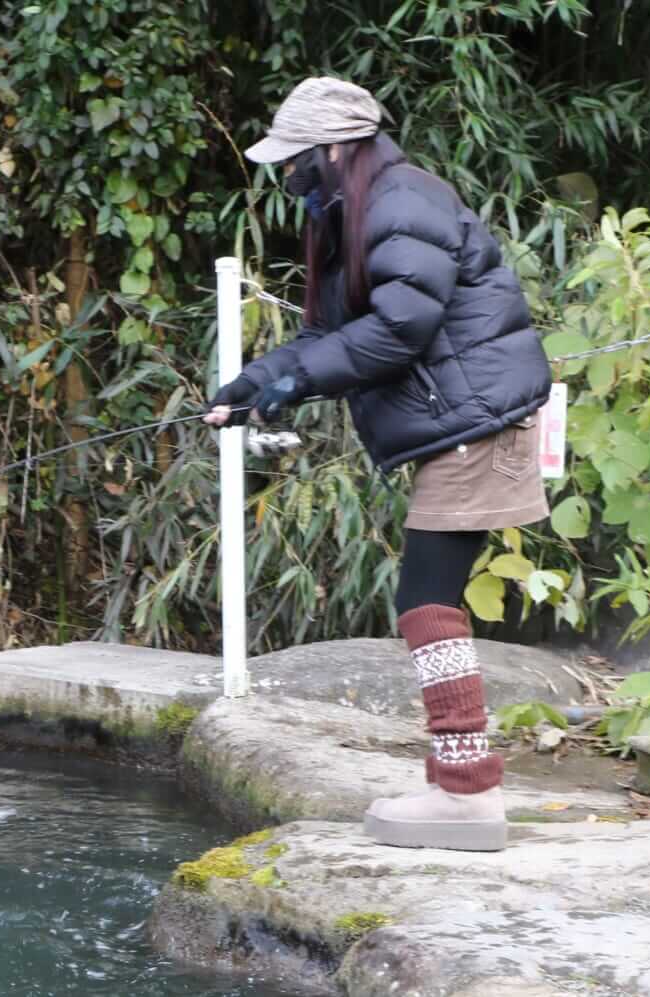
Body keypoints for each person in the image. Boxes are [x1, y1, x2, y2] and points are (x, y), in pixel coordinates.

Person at [204, 77, 552, 852]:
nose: (288, 178)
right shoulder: (363, 211)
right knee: (427, 599)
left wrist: (295, 382)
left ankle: (466, 796)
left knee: (425, 602)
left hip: (478, 423)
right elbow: (334, 336)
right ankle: (458, 785)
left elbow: (400, 330)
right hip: (464, 420)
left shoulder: (403, 202)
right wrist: (258, 383)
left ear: (334, 150)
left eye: (295, 161)